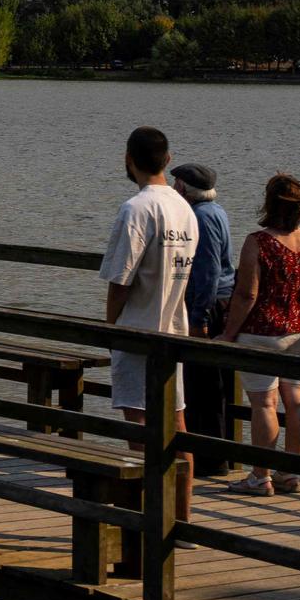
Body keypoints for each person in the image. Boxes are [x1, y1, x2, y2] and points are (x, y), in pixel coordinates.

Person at [101, 124, 199, 524]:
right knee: (177, 427)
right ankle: (182, 520)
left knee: (139, 429)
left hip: (138, 330)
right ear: (169, 160)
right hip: (174, 330)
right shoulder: (185, 208)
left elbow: (120, 281)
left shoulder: (136, 209)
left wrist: (110, 328)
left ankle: (147, 519)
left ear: (128, 159)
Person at [217, 173, 300, 497]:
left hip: (262, 334)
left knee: (265, 403)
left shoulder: (258, 242)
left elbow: (246, 295)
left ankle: (259, 476)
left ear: (268, 204)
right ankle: (289, 474)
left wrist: (229, 333)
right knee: (297, 401)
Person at [173, 163, 238, 475]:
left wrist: (199, 317)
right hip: (220, 302)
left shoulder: (201, 217)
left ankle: (211, 460)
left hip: (209, 305)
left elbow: (209, 270)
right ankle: (216, 455)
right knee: (212, 383)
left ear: (184, 189)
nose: (173, 190)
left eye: (176, 185)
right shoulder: (217, 211)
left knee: (204, 384)